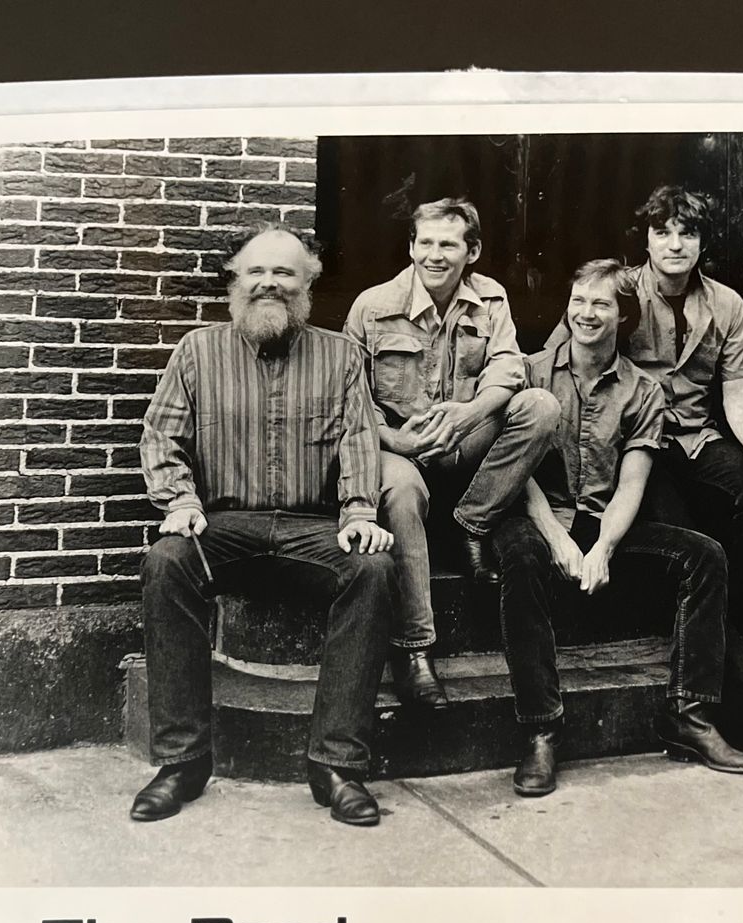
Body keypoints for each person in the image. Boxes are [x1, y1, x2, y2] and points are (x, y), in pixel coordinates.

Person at [510, 258, 743, 793]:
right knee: (519, 556)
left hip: (601, 521)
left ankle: (689, 716)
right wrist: (558, 538)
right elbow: (520, 473)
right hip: (541, 518)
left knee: (705, 554)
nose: (586, 313)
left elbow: (632, 484)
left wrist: (602, 547)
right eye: (578, 300)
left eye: (601, 303)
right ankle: (540, 732)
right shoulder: (530, 373)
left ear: (623, 316)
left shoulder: (643, 391)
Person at [135, 225, 396, 829]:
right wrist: (179, 501)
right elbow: (161, 436)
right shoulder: (197, 351)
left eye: (284, 273)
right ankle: (181, 762)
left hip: (311, 529)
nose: (269, 283)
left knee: (374, 568)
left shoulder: (341, 356)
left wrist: (360, 512)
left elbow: (360, 442)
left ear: (308, 285)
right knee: (166, 562)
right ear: (236, 281)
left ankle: (337, 767)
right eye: (256, 272)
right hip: (223, 526)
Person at [344, 197, 560, 710]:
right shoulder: (372, 306)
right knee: (400, 490)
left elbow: (508, 368)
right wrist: (394, 440)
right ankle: (415, 651)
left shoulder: (491, 299)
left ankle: (472, 523)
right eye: (425, 243)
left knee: (541, 406)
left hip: (465, 442)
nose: (434, 255)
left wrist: (469, 414)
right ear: (411, 247)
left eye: (448, 244)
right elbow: (349, 396)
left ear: (473, 251)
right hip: (401, 447)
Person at [606, 184, 743, 704]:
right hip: (639, 439)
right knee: (686, 536)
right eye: (663, 232)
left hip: (697, 434)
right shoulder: (620, 291)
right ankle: (729, 648)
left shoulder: (725, 303)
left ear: (702, 242)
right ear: (646, 240)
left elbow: (735, 388)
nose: (675, 244)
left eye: (688, 233)